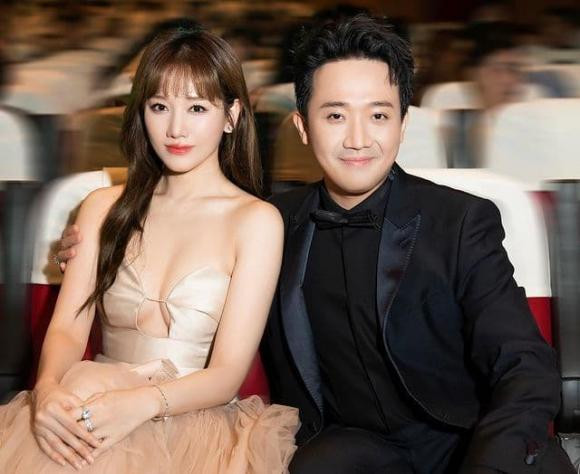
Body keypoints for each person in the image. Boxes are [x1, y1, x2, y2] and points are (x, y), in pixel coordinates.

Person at [57, 15, 575, 474]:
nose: (358, 139)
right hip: (351, 451)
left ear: (403, 123)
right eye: (335, 115)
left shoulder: (460, 220)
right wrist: (96, 236)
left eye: (378, 115)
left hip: (472, 442)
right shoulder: (271, 223)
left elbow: (523, 365)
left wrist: (491, 463)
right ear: (302, 127)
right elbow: (178, 200)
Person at [0, 25, 298, 473]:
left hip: (196, 421)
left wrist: (140, 404)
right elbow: (67, 331)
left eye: (197, 108)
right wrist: (47, 390)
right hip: (91, 400)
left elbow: (227, 374)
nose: (176, 129)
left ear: (232, 115)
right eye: (159, 107)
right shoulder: (102, 206)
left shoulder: (256, 221)